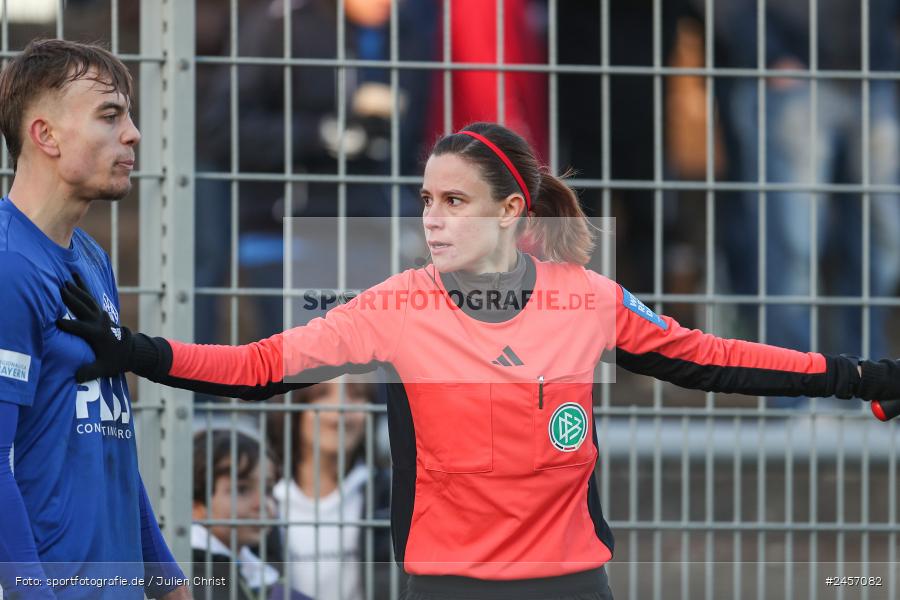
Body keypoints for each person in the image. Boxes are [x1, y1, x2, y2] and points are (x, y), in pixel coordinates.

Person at [58, 121, 900, 600]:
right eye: (426, 199)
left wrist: (856, 378)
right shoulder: (394, 306)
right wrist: (136, 352)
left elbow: (711, 358)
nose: (433, 217)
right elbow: (259, 366)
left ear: (510, 211)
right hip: (447, 582)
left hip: (570, 579)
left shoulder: (587, 297)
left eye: (454, 201)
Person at [0, 39, 187, 598]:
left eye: (128, 116)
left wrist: (165, 579)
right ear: (46, 135)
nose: (133, 134)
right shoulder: (9, 266)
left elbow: (109, 439)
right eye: (110, 116)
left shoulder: (91, 258)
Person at [267, 377, 396, 600]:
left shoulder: (391, 496)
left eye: (356, 395)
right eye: (322, 394)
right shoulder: (263, 498)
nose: (340, 410)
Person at [191, 430, 312, 600]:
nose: (262, 504)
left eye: (268, 489)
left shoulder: (258, 572)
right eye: (242, 489)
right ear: (195, 505)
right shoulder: (189, 577)